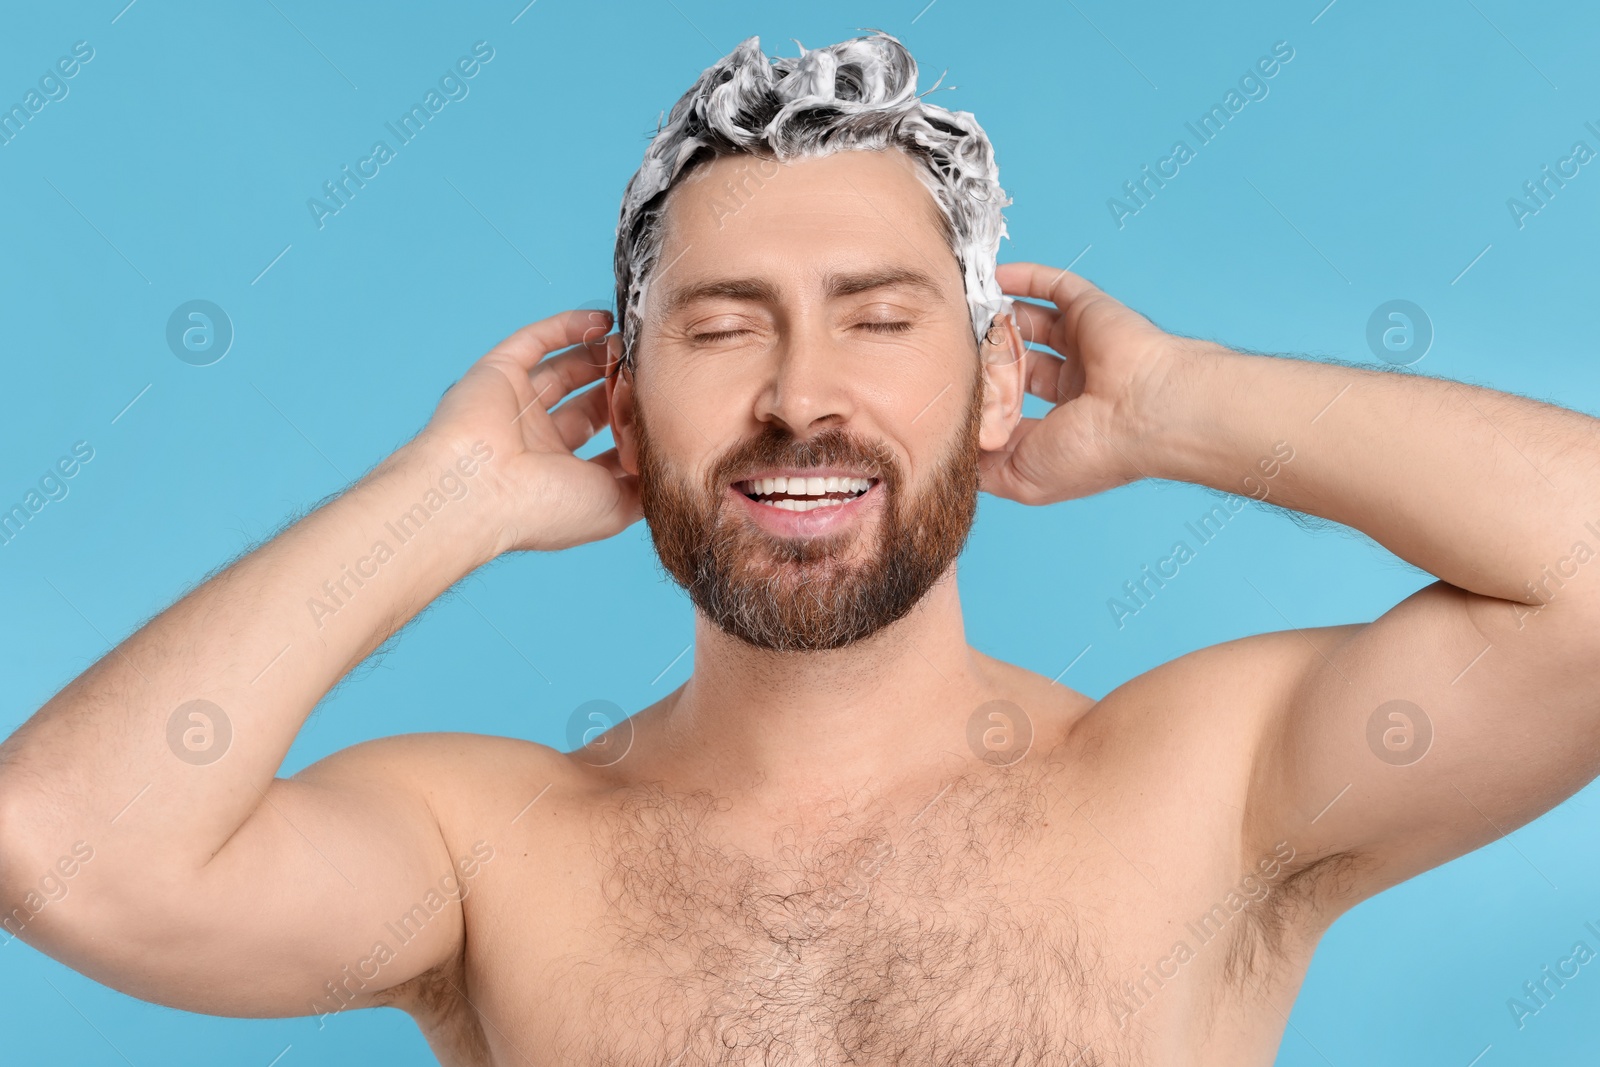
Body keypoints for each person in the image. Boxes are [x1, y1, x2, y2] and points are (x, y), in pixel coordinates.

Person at [3, 30, 1598, 1067]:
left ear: (994, 385)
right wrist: (452, 495)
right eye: (722, 328)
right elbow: (64, 849)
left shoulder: (1202, 785)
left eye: (883, 320)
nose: (801, 398)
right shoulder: (490, 846)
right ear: (624, 408)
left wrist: (1187, 401)